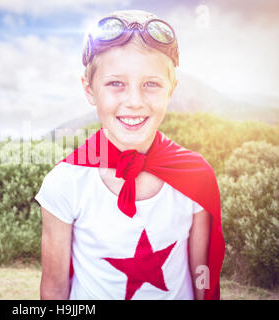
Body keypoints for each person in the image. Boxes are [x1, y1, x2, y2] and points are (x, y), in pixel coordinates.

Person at [35, 9, 225, 300]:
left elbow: (203, 274)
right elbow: (54, 286)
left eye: (151, 84)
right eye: (115, 83)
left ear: (171, 88)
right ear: (89, 90)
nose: (134, 102)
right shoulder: (66, 182)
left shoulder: (196, 176)